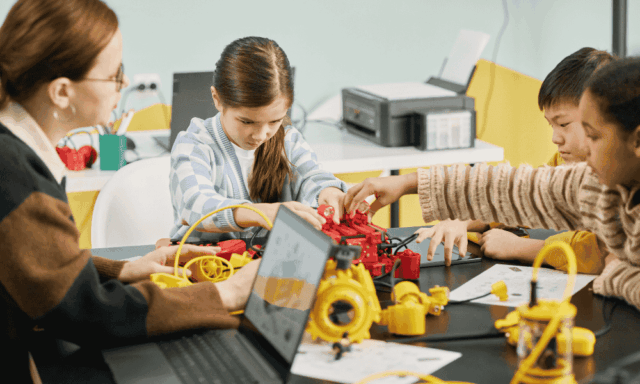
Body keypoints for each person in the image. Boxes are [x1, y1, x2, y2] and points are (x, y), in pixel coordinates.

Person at [0, 1, 260, 382]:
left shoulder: (15, 151)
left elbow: (43, 267)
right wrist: (227, 294)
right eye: (114, 75)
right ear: (61, 92)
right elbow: (85, 313)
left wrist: (125, 270)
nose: (123, 84)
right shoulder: (15, 174)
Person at [344, 57, 640, 311]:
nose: (586, 149)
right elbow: (515, 189)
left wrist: (613, 272)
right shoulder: (603, 185)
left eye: (595, 137)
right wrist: (409, 182)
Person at [411, 47, 616, 274]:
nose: (555, 138)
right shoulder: (568, 159)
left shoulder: (625, 173)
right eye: (551, 125)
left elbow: (602, 251)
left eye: (564, 124)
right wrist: (463, 219)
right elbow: (525, 196)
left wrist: (520, 247)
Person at [169, 36, 348, 244]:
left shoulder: (288, 140)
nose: (261, 135)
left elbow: (313, 175)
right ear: (217, 99)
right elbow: (195, 204)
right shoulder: (193, 145)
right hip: (205, 265)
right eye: (247, 122)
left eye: (274, 121)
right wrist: (261, 213)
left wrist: (328, 191)